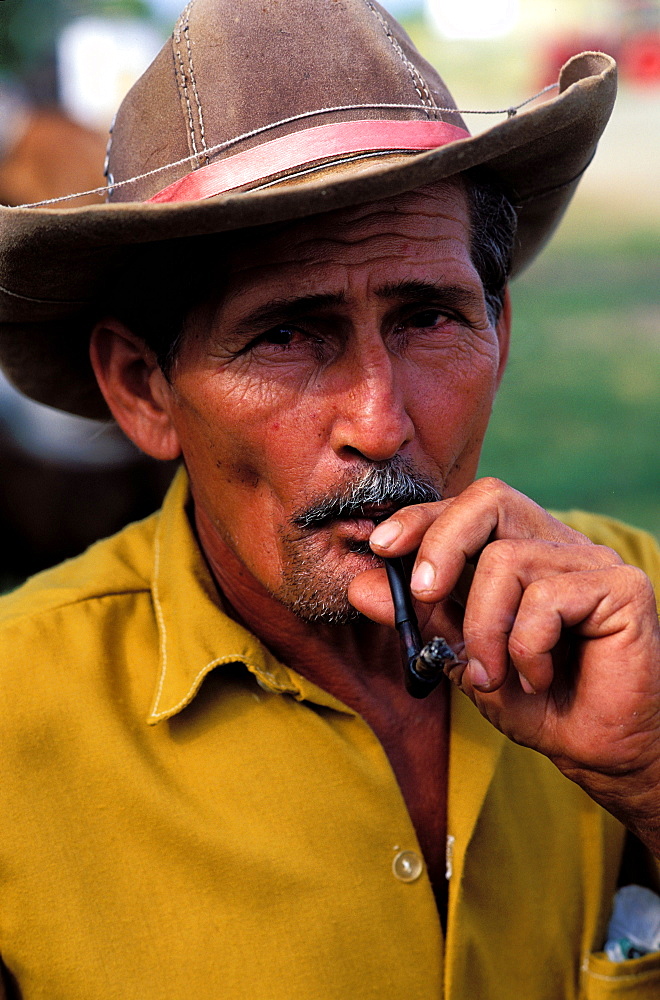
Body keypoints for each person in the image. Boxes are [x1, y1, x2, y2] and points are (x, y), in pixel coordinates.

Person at [0, 1, 658, 997]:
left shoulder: (635, 614)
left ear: (501, 328)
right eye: (287, 337)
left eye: (430, 316)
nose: (381, 423)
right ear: (144, 389)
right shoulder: (19, 719)